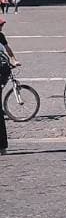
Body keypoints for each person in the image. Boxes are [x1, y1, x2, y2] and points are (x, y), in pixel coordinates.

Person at [0, 14, 19, 156]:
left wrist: (14, 59)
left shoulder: (1, 36)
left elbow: (8, 49)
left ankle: (2, 145)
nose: (2, 26)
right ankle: (2, 146)